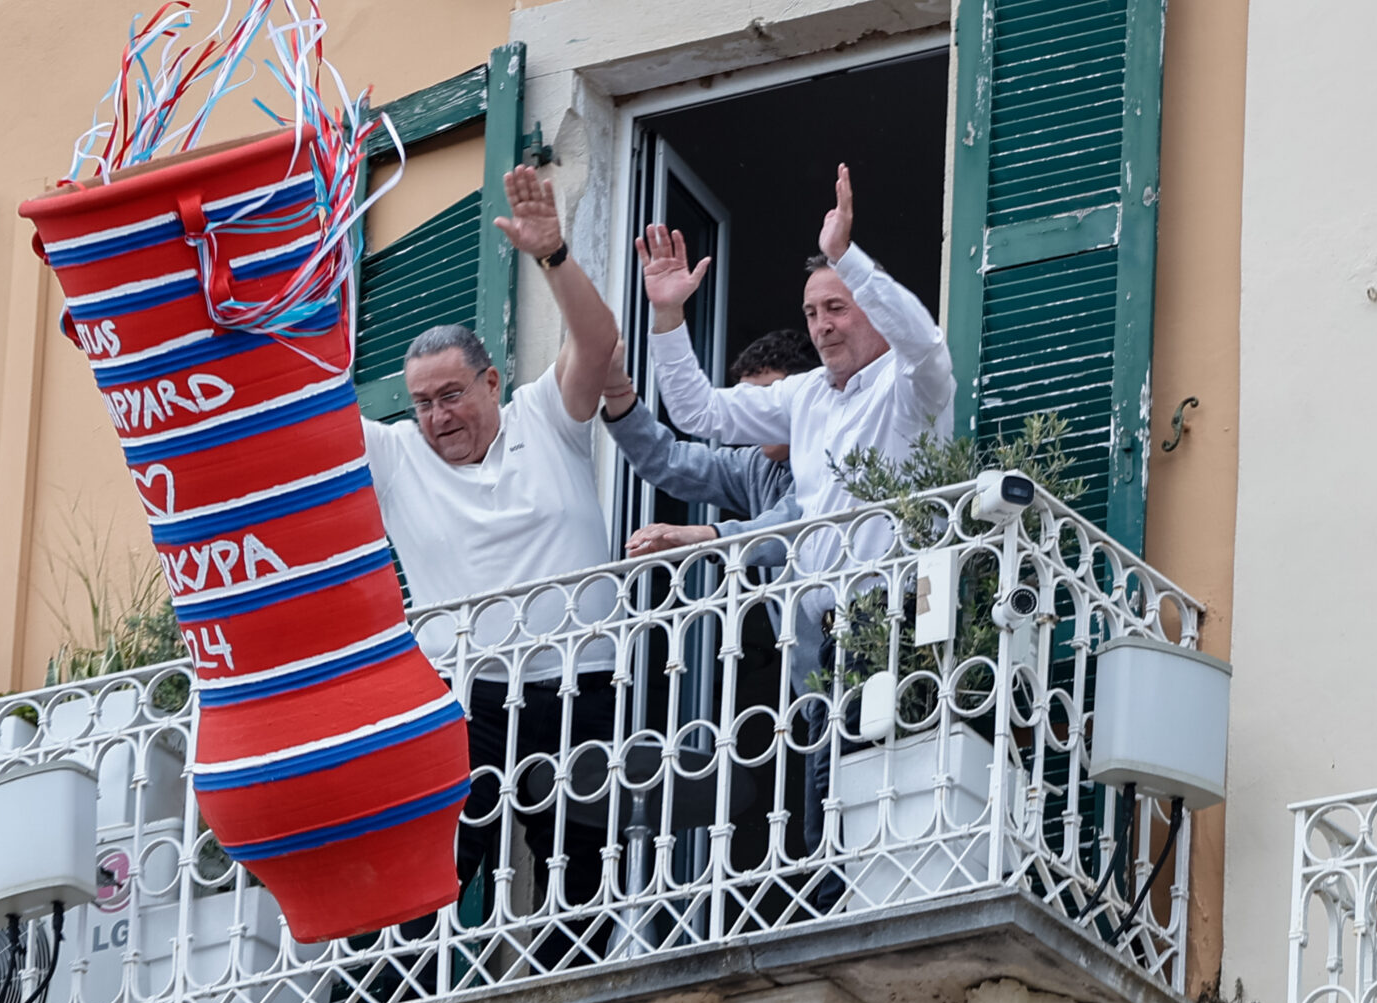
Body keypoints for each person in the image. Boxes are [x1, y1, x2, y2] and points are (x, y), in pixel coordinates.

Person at [361, 163, 625, 944]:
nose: (438, 416)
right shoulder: (398, 454)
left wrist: (552, 254)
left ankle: (567, 998)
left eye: (451, 395)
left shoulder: (546, 416)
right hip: (465, 694)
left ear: (491, 381)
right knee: (433, 864)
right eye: (422, 401)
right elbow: (301, 410)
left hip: (584, 682)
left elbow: (600, 340)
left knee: (580, 862)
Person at [641, 164, 954, 547]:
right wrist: (669, 312)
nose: (821, 325)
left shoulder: (908, 385)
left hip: (894, 603)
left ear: (875, 309)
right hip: (815, 606)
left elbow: (925, 344)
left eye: (836, 308)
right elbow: (697, 411)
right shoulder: (803, 394)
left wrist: (844, 256)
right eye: (811, 313)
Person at [605, 327, 817, 561]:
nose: (755, 411)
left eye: (766, 396)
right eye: (748, 400)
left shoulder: (834, 452)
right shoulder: (757, 465)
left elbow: (797, 525)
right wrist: (615, 385)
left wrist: (707, 535)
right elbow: (669, 461)